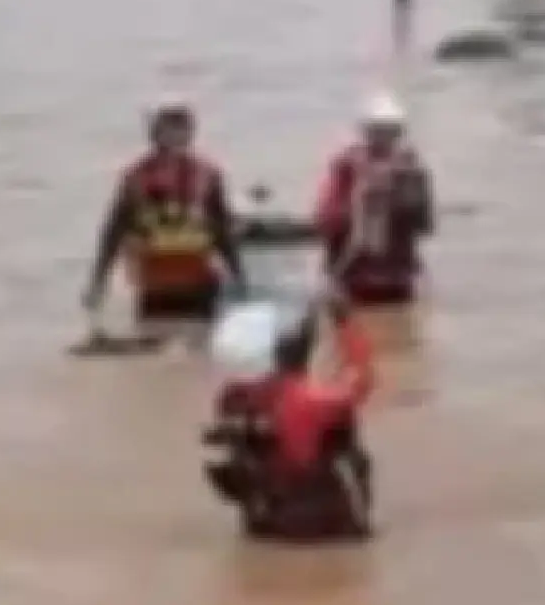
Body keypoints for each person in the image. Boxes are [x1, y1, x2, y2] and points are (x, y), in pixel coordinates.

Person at [203, 291, 376, 542]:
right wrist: (345, 323)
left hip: (267, 526)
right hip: (320, 523)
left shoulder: (232, 400)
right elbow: (361, 380)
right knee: (345, 433)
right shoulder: (312, 400)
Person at [82, 97, 245, 323]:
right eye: (169, 131)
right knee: (153, 344)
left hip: (199, 285)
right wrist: (98, 283)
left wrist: (239, 277)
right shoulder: (135, 179)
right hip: (154, 287)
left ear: (190, 134)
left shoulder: (208, 176)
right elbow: (113, 233)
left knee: (197, 348)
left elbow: (222, 232)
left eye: (182, 131)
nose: (175, 138)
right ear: (154, 135)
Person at [313, 91, 435, 305]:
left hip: (397, 276)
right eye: (380, 131)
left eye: (390, 132)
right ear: (367, 132)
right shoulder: (347, 165)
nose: (385, 138)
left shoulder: (410, 167)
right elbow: (327, 218)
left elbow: (424, 223)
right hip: (354, 276)